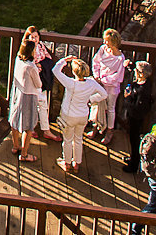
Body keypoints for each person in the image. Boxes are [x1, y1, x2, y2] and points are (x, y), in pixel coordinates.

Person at [51, 55, 111, 174]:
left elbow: (55, 70)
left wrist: (64, 60)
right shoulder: (91, 83)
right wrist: (91, 99)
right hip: (83, 115)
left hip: (69, 116)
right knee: (78, 139)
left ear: (74, 71)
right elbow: (104, 94)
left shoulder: (71, 83)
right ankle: (76, 163)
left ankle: (67, 162)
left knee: (67, 140)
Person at [8, 34, 47, 162]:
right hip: (29, 96)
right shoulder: (31, 66)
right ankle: (24, 154)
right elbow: (38, 84)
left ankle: (15, 146)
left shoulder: (18, 60)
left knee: (14, 120)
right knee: (28, 126)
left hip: (18, 93)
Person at [121, 60, 156, 173]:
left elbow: (137, 107)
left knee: (134, 139)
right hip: (134, 115)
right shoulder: (144, 81)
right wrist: (130, 66)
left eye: (136, 71)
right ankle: (133, 157)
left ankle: (134, 164)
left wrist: (127, 98)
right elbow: (135, 72)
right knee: (133, 138)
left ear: (140, 74)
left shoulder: (143, 91)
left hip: (136, 117)